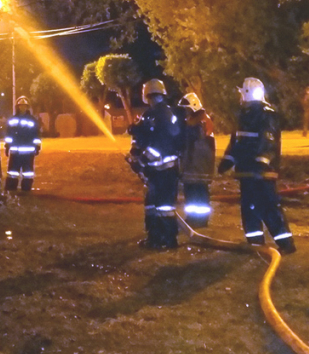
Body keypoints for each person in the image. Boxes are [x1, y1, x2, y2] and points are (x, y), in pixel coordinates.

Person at [218, 77, 296, 254]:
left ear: (246, 93)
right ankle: (255, 244)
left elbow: (268, 140)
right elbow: (237, 142)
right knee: (249, 208)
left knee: (268, 207)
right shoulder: (244, 115)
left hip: (262, 173)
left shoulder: (266, 113)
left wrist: (262, 163)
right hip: (246, 172)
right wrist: (227, 161)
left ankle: (286, 244)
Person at [127, 79, 181, 249]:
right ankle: (154, 237)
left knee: (164, 207)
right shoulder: (150, 114)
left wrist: (142, 161)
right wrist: (135, 149)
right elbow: (143, 137)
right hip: (154, 171)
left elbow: (160, 145)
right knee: (151, 205)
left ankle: (169, 240)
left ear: (146, 95)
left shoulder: (164, 114)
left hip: (165, 171)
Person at [176, 92, 216, 228]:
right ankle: (193, 218)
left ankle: (201, 220)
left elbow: (196, 143)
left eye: (186, 110)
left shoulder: (201, 121)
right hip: (193, 166)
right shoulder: (198, 121)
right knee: (191, 194)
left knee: (199, 194)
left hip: (198, 166)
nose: (184, 114)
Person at [3, 96, 41, 191]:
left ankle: (26, 188)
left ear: (27, 107)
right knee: (13, 172)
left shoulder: (33, 120)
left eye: (24, 106)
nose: (22, 108)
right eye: (21, 106)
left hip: (28, 152)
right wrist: (7, 147)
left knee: (27, 173)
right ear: (18, 107)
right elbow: (9, 135)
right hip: (15, 152)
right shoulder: (12, 120)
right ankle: (11, 188)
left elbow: (36, 135)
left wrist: (37, 147)